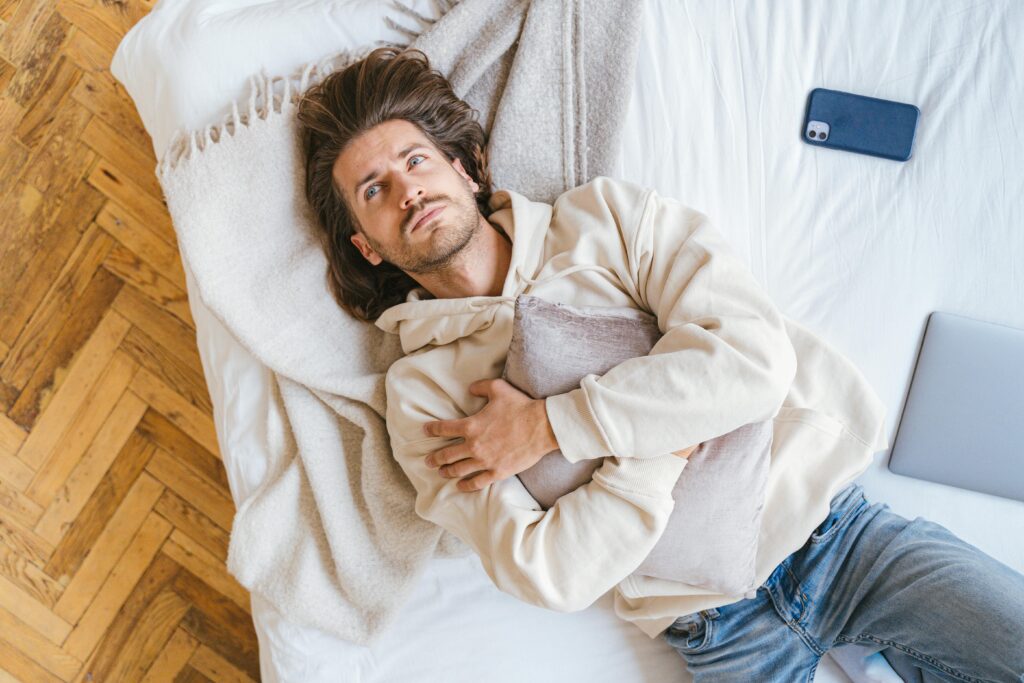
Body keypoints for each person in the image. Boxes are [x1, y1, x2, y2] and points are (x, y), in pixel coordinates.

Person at [297, 47, 1024, 681]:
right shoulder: (421, 396)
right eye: (374, 191)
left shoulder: (604, 220)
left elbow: (754, 360)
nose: (407, 190)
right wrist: (660, 448)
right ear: (367, 245)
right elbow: (549, 570)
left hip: (836, 531)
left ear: (463, 167)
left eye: (415, 160)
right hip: (715, 628)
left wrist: (554, 424)